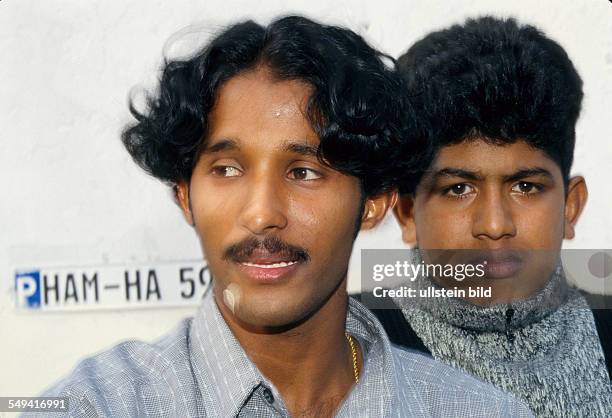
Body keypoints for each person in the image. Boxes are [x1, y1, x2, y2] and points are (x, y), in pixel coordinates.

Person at [30, 15, 532, 418]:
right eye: (227, 169)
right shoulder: (92, 405)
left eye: (305, 172)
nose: (262, 214)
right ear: (185, 196)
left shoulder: (481, 410)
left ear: (373, 202)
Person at [371, 16, 612, 417]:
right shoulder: (353, 348)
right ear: (408, 212)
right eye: (458, 189)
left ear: (571, 207)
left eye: (525, 187)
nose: (495, 225)